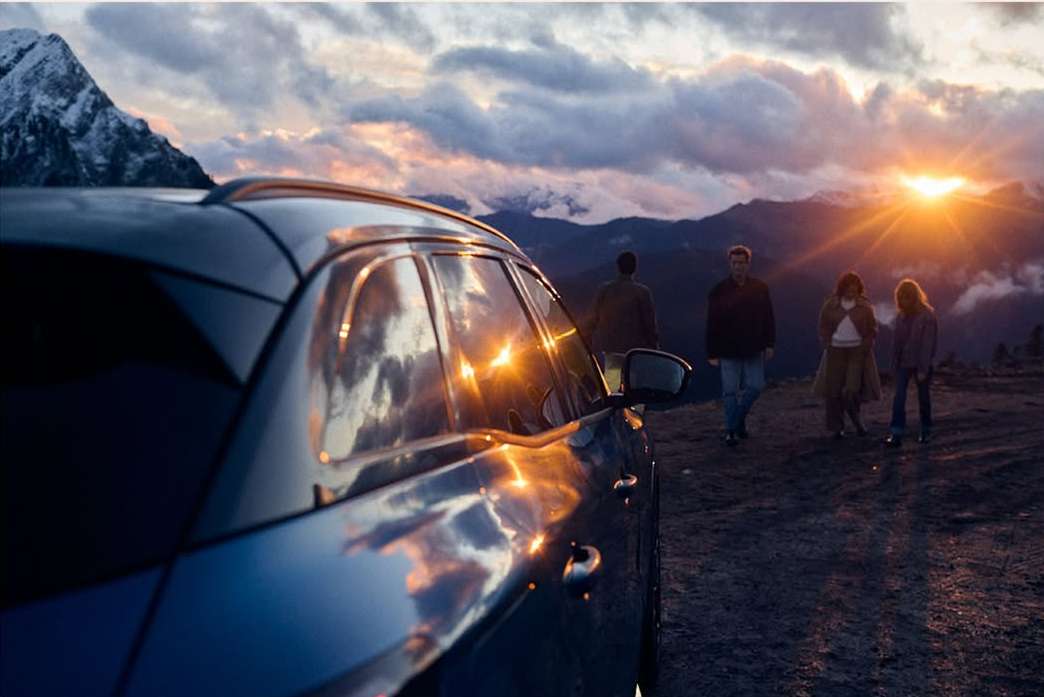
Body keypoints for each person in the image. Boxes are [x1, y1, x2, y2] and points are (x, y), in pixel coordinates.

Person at [706, 245, 775, 446]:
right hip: (728, 349)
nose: (738, 267)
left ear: (748, 264)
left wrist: (770, 343)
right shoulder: (718, 291)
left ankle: (734, 423)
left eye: (741, 263)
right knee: (729, 391)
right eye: (734, 263)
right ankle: (732, 430)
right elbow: (712, 322)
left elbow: (768, 317)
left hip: (754, 347)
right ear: (730, 264)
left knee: (755, 387)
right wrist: (712, 351)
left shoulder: (760, 288)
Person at [812, 271, 882, 439]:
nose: (852, 293)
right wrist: (827, 342)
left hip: (857, 351)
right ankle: (837, 428)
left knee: (852, 390)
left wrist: (866, 345)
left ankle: (856, 420)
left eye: (855, 289)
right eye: (849, 289)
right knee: (833, 391)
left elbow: (872, 329)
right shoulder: (830, 304)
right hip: (835, 351)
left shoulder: (864, 306)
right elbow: (823, 325)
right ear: (842, 289)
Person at [585, 250, 659, 392]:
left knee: (612, 387)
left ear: (618, 267)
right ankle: (634, 412)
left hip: (609, 348)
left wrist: (586, 342)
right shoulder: (642, 292)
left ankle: (613, 411)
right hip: (635, 350)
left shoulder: (604, 290)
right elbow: (649, 324)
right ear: (635, 268)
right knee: (634, 388)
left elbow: (592, 319)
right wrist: (654, 347)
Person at [884, 278, 938, 447]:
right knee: (899, 397)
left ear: (914, 297)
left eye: (906, 297)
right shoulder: (901, 316)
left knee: (923, 398)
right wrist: (893, 364)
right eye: (901, 297)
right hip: (903, 363)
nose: (903, 301)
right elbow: (896, 342)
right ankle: (896, 433)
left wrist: (923, 368)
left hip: (920, 363)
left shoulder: (927, 316)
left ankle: (926, 430)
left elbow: (928, 344)